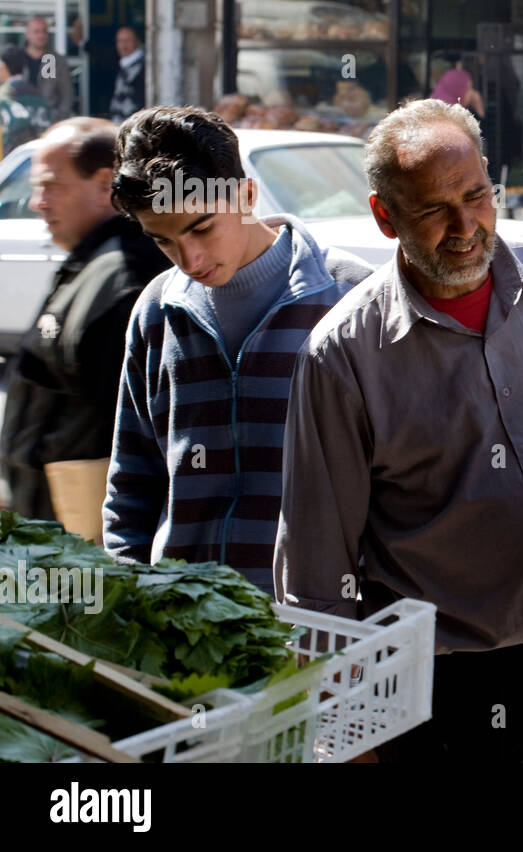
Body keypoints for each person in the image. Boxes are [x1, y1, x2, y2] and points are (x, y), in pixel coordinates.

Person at [273, 98, 523, 764]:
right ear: (385, 215)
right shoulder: (344, 353)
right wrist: (346, 732)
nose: (465, 226)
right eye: (433, 209)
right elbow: (317, 563)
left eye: (476, 196)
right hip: (439, 696)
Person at [102, 106, 371, 591]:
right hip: (182, 628)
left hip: (319, 630)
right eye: (163, 241)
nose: (190, 259)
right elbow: (132, 480)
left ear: (246, 194)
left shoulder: (349, 295)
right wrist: (130, 601)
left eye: (202, 228)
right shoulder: (157, 308)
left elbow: (396, 482)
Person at [1, 119, 170, 537]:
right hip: (48, 534)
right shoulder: (93, 264)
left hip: (83, 548)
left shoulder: (126, 278)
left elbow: (131, 440)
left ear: (103, 184)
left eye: (52, 186)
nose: (39, 202)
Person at [0, 46, 53, 156]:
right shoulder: (37, 95)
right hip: (37, 155)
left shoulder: (4, 96)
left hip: (11, 160)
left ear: (3, 67)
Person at [23, 16, 75, 122]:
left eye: (44, 31)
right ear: (27, 34)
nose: (41, 35)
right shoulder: (16, 58)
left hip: (48, 123)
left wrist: (57, 119)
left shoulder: (55, 60)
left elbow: (67, 95)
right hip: (20, 122)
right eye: (36, 31)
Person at [108, 27, 145, 125]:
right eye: (120, 41)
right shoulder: (122, 64)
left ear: (137, 41)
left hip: (136, 125)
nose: (123, 45)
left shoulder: (145, 67)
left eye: (127, 41)